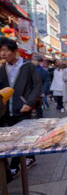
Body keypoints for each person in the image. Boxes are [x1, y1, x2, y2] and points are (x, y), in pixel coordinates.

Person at [0, 37, 42, 178]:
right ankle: (27, 158)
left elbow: (37, 85)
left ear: (15, 51)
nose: (2, 54)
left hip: (23, 108)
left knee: (21, 137)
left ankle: (14, 166)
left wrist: (29, 103)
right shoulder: (2, 68)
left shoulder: (28, 66)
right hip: (5, 110)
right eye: (0, 51)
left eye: (5, 50)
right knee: (11, 138)